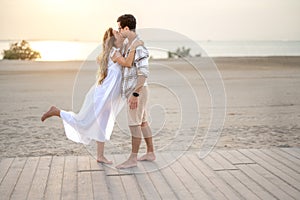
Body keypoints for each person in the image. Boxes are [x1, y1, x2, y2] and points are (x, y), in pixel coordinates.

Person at [41, 27, 142, 164]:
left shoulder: (117, 51)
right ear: (113, 40)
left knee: (103, 125)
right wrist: (134, 47)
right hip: (101, 97)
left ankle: (100, 156)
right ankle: (57, 112)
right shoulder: (114, 53)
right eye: (117, 34)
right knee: (85, 122)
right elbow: (128, 63)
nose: (120, 34)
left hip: (108, 98)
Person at [115, 14, 156, 169]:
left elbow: (143, 73)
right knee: (142, 121)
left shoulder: (138, 47)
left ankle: (132, 159)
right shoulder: (132, 44)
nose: (119, 30)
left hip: (138, 90)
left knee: (134, 124)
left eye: (120, 28)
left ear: (126, 28)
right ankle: (151, 153)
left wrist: (135, 94)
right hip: (139, 90)